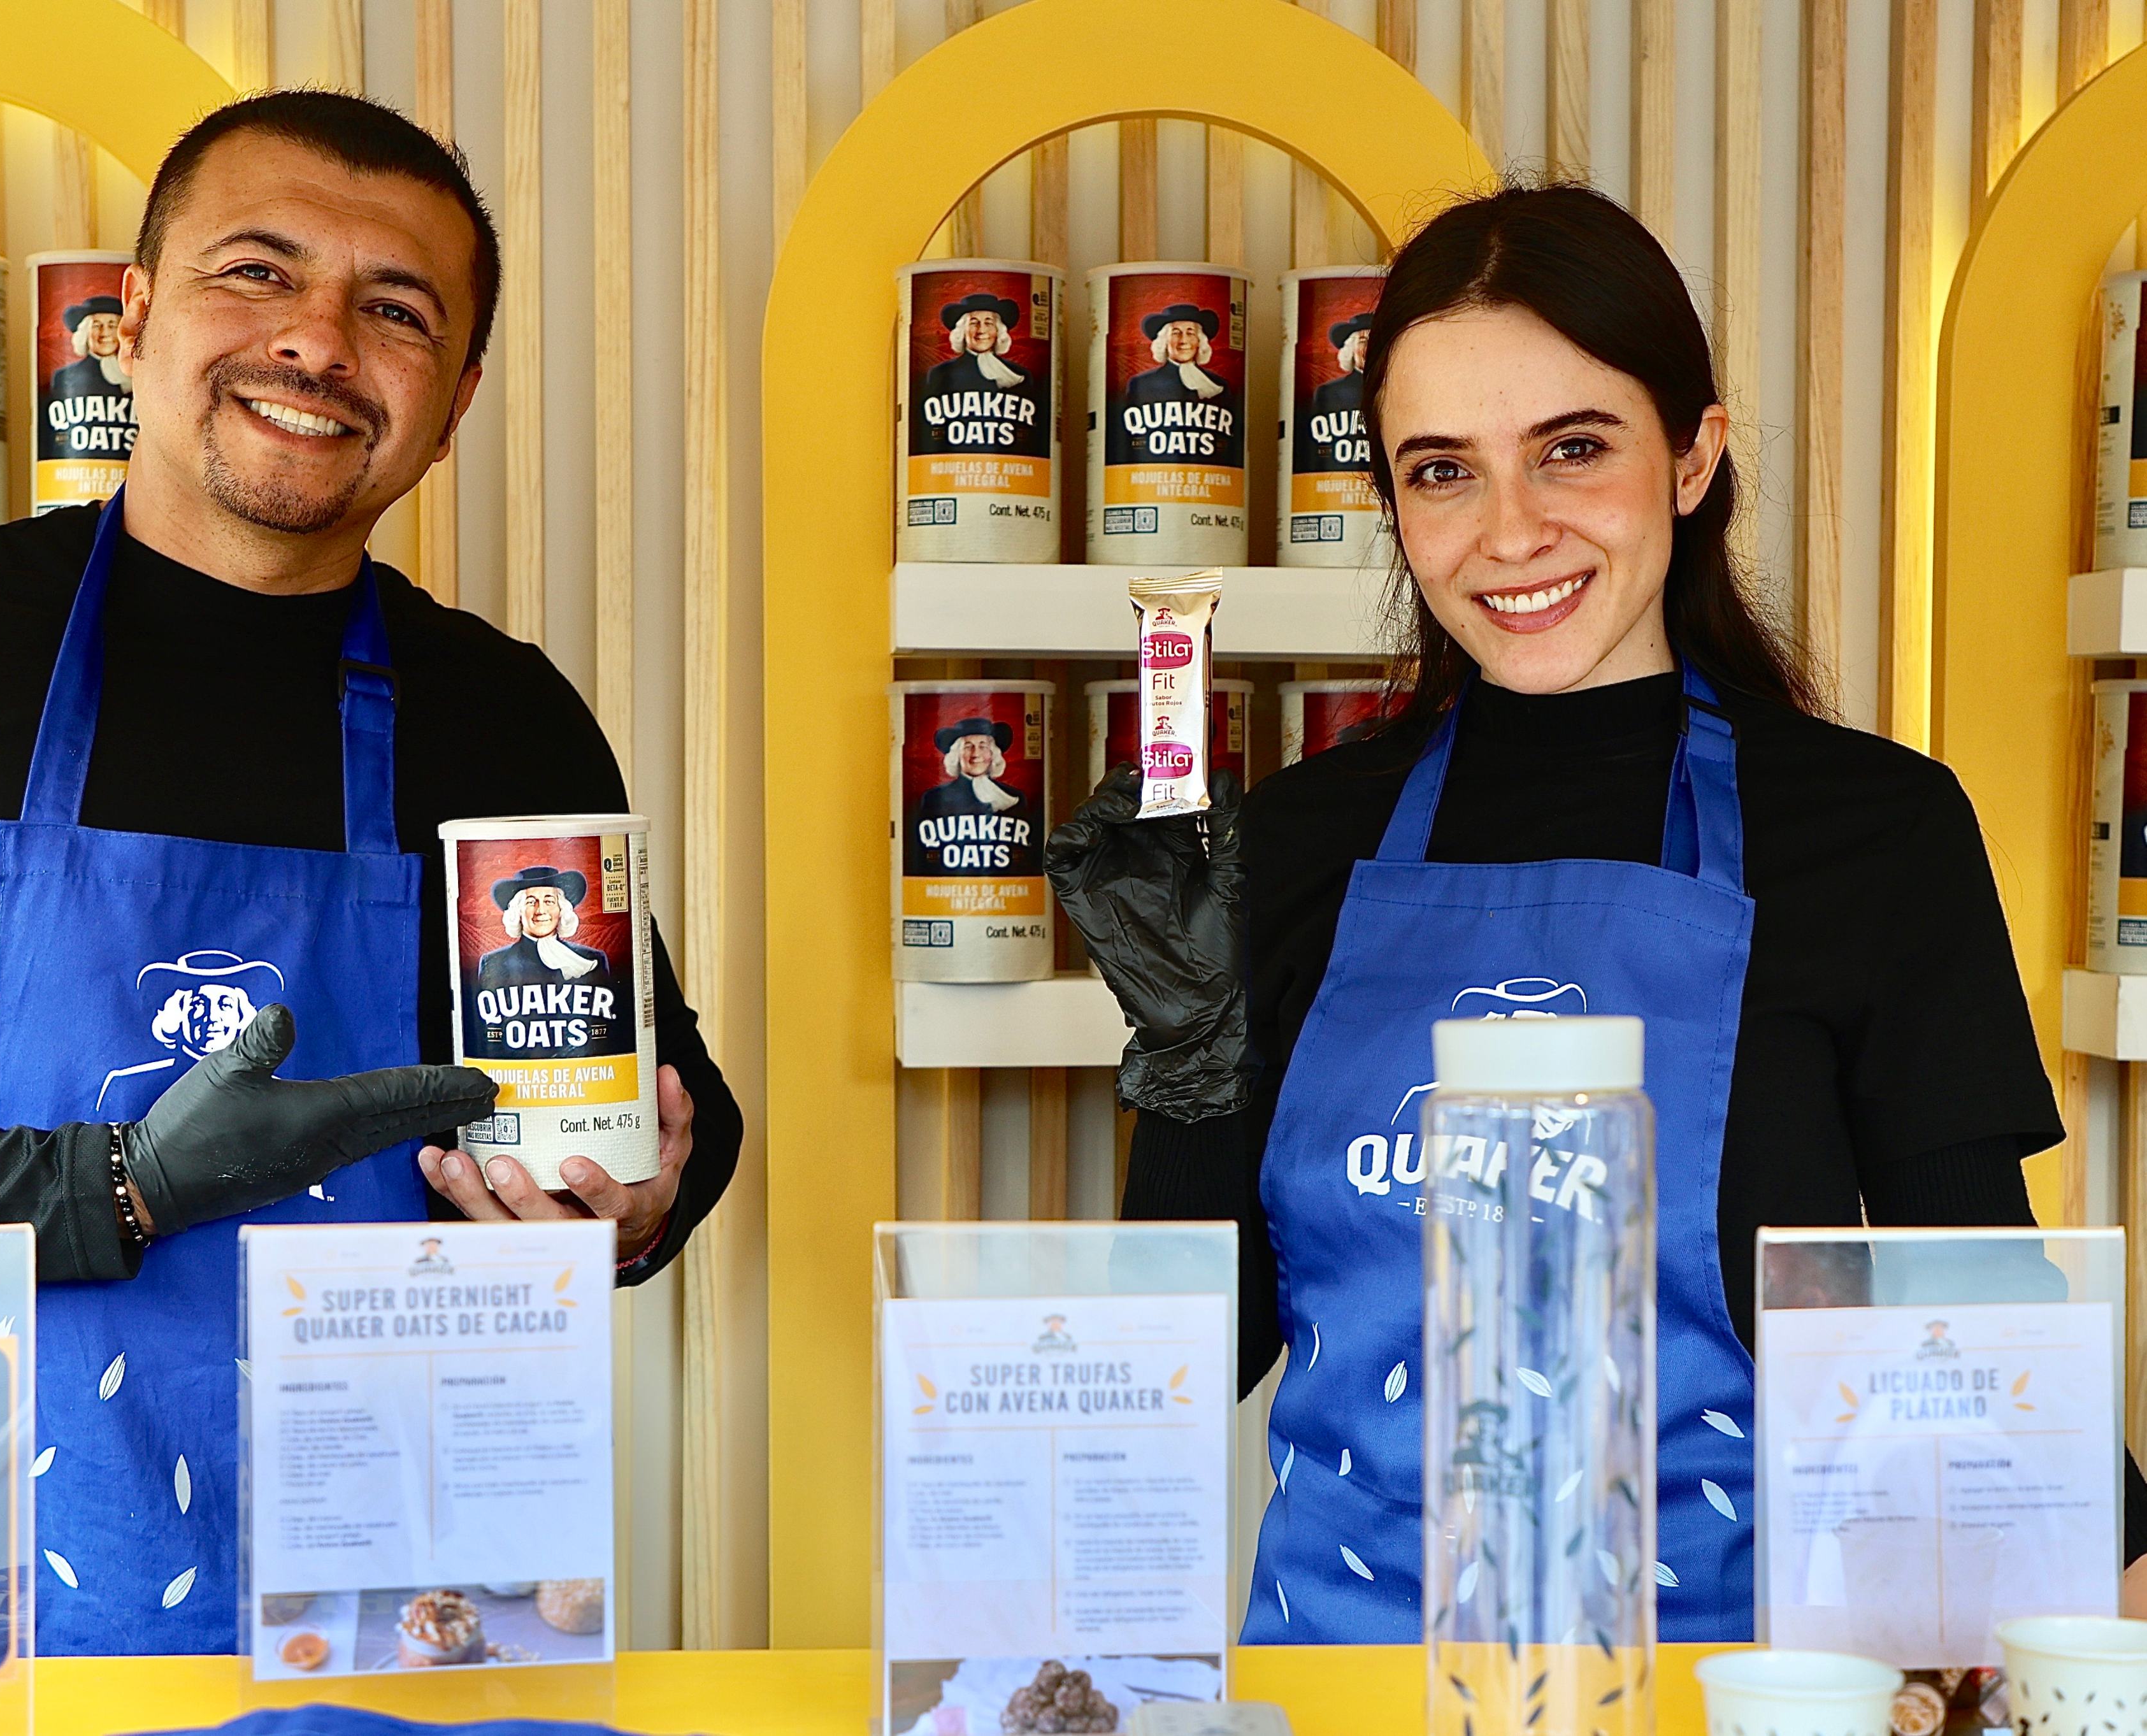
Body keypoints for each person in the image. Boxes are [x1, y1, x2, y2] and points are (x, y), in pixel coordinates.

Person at [0, 90, 742, 1656]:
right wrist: (112, 1185)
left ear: (449, 407)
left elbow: (670, 1105)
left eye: (394, 309)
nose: (316, 340)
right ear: (128, 322)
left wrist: (633, 1205)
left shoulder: (502, 712)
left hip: (406, 1614)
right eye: (256, 272)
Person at [1052, 182, 2147, 1644]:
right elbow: (1192, 1351)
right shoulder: (1295, 844)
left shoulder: (1875, 833)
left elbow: (1979, 1315)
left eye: (1572, 450)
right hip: (1349, 1684)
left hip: (1747, 1680)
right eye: (1442, 471)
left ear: (1694, 456)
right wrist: (1182, 1043)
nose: (1511, 532)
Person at [477, 865, 614, 989]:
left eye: (549, 901)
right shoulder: (494, 963)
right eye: (531, 902)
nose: (541, 910)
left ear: (561, 909)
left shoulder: (591, 960)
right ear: (518, 911)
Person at [920, 291, 1031, 401]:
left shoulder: (1018, 375)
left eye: (989, 323)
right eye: (974, 323)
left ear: (998, 331)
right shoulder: (941, 374)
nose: (981, 330)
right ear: (962, 331)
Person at [918, 717, 1025, 821]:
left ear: (993, 754)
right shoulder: (935, 799)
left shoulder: (1014, 797)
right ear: (957, 755)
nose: (976, 754)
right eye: (968, 747)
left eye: (983, 747)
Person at [1124, 303, 1230, 405]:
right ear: (1164, 341)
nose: (1183, 341)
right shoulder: (1142, 385)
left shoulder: (1218, 385)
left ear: (1199, 341)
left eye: (1190, 333)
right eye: (1176, 333)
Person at [52, 293, 133, 403]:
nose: (105, 333)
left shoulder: (138, 375)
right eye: (96, 325)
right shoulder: (65, 378)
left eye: (112, 325)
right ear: (85, 333)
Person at [1307, 310, 1368, 421]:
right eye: (1363, 341)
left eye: (1375, 340)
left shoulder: (1396, 389)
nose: (1370, 347)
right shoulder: (1330, 393)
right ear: (1351, 350)